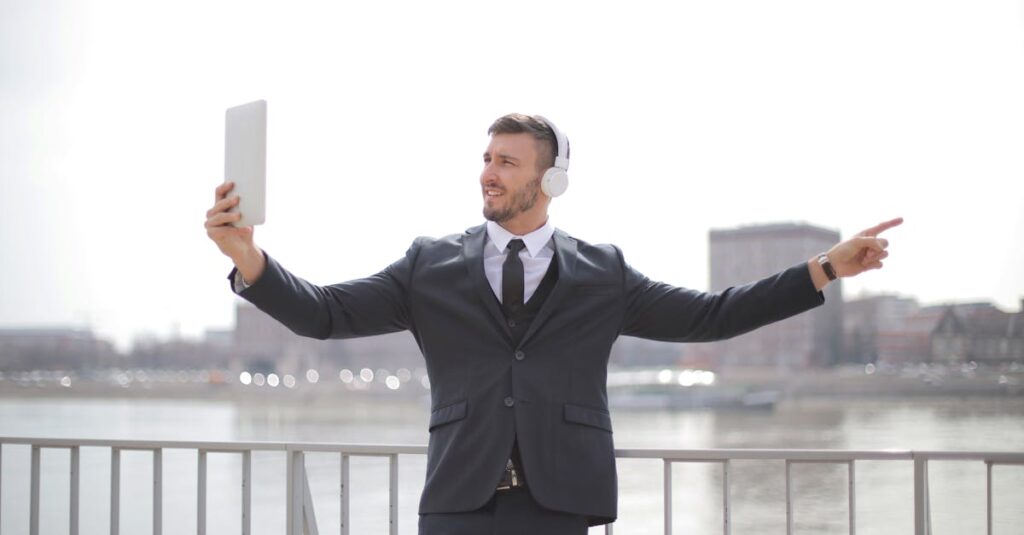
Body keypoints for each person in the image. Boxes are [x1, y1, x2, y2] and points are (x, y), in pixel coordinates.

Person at [205, 113, 901, 534]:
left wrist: (824, 269)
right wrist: (251, 260)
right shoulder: (429, 265)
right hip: (456, 504)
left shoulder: (603, 272)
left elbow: (712, 315)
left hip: (558, 506)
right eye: (485, 159)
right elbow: (325, 313)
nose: (488, 174)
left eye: (506, 162)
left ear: (550, 180)